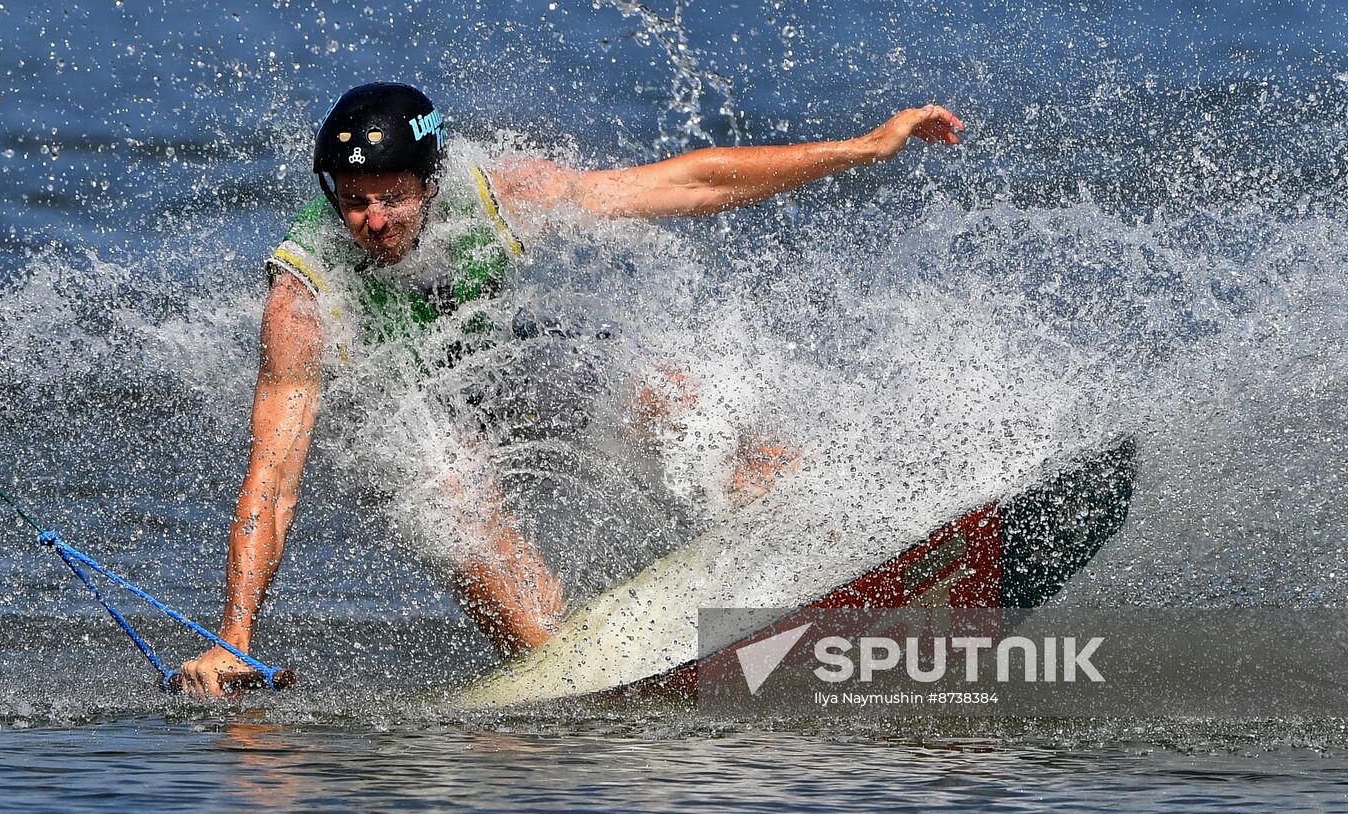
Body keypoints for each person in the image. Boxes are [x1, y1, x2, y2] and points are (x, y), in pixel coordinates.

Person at [179, 81, 963, 697]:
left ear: (431, 182)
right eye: (354, 201)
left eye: (393, 197)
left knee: (667, 395)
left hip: (488, 367)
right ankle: (573, 677)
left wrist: (865, 147)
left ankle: (835, 532)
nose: (374, 221)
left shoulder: (491, 197)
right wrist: (234, 638)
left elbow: (686, 185)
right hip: (400, 417)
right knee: (465, 517)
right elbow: (273, 482)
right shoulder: (301, 299)